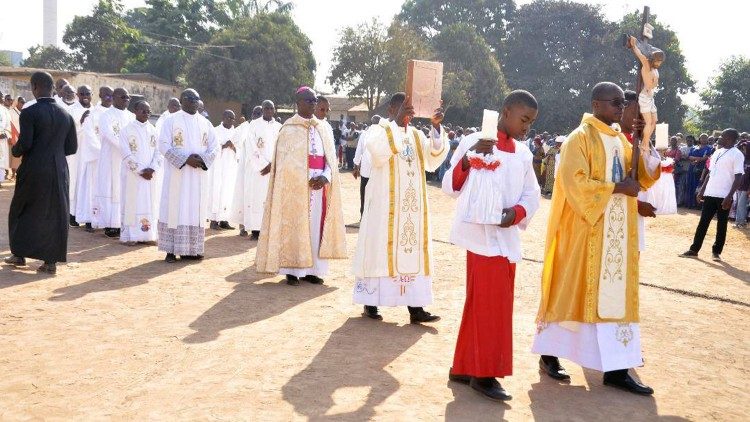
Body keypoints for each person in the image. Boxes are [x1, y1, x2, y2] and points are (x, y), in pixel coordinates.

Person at [532, 82, 660, 396]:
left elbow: (641, 176)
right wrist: (617, 189)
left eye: (622, 103)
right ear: (596, 104)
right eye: (615, 102)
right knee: (572, 291)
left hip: (615, 237)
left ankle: (616, 369)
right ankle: (550, 354)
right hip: (584, 234)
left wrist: (643, 141)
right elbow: (575, 184)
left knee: (614, 296)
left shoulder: (620, 140)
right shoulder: (579, 138)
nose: (621, 108)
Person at [442, 90, 541, 402]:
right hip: (480, 238)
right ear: (506, 111)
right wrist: (472, 158)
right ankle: (484, 374)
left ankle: (463, 367)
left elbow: (532, 193)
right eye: (524, 119)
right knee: (491, 305)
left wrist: (516, 214)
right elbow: (450, 185)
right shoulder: (475, 141)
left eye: (531, 122)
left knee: (482, 304)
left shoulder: (523, 154)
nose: (527, 127)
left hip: (506, 236)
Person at [352, 92, 448, 322]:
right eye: (401, 109)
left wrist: (435, 127)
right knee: (378, 250)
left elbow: (433, 159)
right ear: (390, 110)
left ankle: (416, 307)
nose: (407, 114)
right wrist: (396, 124)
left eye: (410, 110)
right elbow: (376, 153)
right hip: (383, 209)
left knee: (412, 252)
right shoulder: (379, 130)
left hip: (411, 210)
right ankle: (371, 303)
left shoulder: (416, 135)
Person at [256, 87, 346, 285]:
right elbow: (284, 163)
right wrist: (303, 178)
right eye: (309, 100)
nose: (313, 104)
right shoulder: (288, 128)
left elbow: (331, 160)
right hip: (296, 188)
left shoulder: (324, 128)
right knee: (296, 226)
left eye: (315, 101)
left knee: (315, 227)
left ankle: (314, 270)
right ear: (298, 103)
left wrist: (324, 177)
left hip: (319, 185)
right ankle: (292, 270)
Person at [4, 72, 77, 274]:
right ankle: (50, 262)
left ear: (35, 87)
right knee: (55, 213)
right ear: (52, 87)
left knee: (23, 209)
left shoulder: (30, 112)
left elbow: (25, 144)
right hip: (59, 170)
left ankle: (19, 254)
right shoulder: (66, 114)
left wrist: (15, 151)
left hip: (34, 169)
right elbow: (71, 148)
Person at [157, 89, 217, 263]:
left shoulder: (205, 123)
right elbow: (163, 145)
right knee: (175, 208)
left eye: (197, 99)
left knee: (194, 210)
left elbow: (214, 146)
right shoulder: (171, 121)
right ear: (182, 100)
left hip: (198, 175)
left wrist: (203, 159)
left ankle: (192, 249)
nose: (194, 102)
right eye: (190, 99)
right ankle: (170, 250)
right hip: (178, 173)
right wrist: (185, 159)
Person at [680, 129, 744, 261]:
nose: (719, 138)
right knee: (703, 222)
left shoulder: (737, 154)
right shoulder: (717, 152)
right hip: (710, 193)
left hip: (724, 196)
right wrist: (702, 190)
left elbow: (738, 178)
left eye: (722, 136)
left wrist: (729, 196)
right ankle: (694, 249)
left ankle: (716, 252)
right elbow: (710, 173)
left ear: (730, 139)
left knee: (721, 224)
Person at [230, 101, 281, 239]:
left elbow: (282, 148)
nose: (269, 110)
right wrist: (263, 165)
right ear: (262, 109)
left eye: (271, 108)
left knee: (271, 199)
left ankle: (269, 231)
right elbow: (252, 147)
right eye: (266, 108)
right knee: (256, 199)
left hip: (273, 169)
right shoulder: (254, 125)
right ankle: (256, 231)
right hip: (258, 170)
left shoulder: (279, 127)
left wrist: (273, 165)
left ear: (274, 110)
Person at [119, 101, 162, 245]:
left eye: (148, 111)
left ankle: (148, 235)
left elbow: (158, 152)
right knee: (132, 203)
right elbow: (125, 153)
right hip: (133, 175)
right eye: (143, 110)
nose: (146, 113)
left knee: (150, 203)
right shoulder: (126, 130)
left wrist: (152, 168)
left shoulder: (153, 130)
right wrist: (140, 170)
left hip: (150, 175)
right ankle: (130, 236)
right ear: (135, 111)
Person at [95, 88, 134, 238]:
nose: (126, 99)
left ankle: (123, 222)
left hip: (128, 159)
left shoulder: (131, 116)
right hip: (112, 157)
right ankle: (110, 225)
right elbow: (110, 135)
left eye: (128, 97)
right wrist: (126, 148)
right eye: (123, 97)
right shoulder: (106, 116)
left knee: (124, 189)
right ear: (115, 98)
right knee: (111, 189)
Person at [76, 86, 112, 232]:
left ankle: (107, 220)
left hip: (111, 160)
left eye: (111, 96)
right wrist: (103, 154)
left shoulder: (114, 114)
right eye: (106, 96)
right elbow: (90, 136)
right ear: (100, 96)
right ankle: (91, 220)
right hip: (96, 159)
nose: (109, 98)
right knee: (93, 189)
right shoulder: (92, 114)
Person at [67, 85, 94, 227]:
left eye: (87, 93)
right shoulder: (71, 111)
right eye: (82, 93)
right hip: (77, 154)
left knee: (90, 185)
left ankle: (89, 216)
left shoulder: (96, 111)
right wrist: (80, 122)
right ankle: (73, 214)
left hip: (92, 154)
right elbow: (68, 131)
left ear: (92, 94)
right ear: (77, 95)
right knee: (76, 182)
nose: (85, 96)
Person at [208, 110, 237, 231]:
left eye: (233, 118)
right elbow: (211, 149)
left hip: (230, 167)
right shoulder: (215, 131)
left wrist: (234, 146)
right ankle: (214, 221)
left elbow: (240, 149)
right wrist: (224, 146)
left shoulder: (236, 133)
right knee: (217, 192)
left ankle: (224, 220)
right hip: (218, 168)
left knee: (228, 193)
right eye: (229, 118)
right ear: (223, 117)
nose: (231, 120)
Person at [353, 115, 381, 219]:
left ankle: (363, 216)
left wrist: (356, 167)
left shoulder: (365, 134)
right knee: (376, 195)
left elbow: (358, 151)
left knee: (364, 195)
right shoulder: (383, 134)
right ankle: (373, 218)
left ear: (371, 122)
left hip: (365, 171)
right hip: (378, 171)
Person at [684, 134, 713, 208]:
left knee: (699, 185)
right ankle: (689, 203)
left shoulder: (709, 148)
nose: (703, 139)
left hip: (702, 170)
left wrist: (696, 159)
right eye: (702, 138)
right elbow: (689, 156)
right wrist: (697, 159)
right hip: (692, 168)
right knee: (690, 185)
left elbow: (706, 158)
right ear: (699, 139)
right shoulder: (694, 147)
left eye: (705, 138)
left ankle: (698, 205)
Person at [735, 138, 750, 229]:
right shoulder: (743, 159)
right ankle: (738, 221)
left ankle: (741, 221)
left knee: (742, 204)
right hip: (740, 185)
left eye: (745, 148)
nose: (743, 149)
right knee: (738, 204)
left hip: (746, 187)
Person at [7, 96, 22, 180]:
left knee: (19, 157)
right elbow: (10, 124)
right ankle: (12, 173)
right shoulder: (10, 112)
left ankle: (17, 173)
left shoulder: (22, 112)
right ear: (17, 102)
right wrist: (12, 136)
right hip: (13, 135)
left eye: (23, 102)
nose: (22, 104)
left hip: (21, 135)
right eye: (21, 102)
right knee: (13, 156)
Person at [0, 91, 11, 186]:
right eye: (1, 97)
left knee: (1, 161)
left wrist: (7, 135)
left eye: (3, 97)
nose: (3, 99)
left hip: (2, 139)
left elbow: (8, 125)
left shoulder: (5, 110)